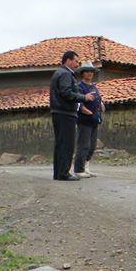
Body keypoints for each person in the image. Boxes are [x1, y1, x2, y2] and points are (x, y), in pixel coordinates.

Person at [49, 50, 96, 181]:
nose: (77, 64)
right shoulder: (65, 74)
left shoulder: (60, 73)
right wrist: (83, 97)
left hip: (59, 112)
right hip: (65, 113)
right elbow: (66, 93)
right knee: (67, 144)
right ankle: (64, 173)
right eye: (76, 61)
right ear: (68, 60)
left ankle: (59, 173)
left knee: (60, 144)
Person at [74, 62, 104, 178]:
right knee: (83, 145)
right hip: (84, 120)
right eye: (87, 71)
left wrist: (101, 103)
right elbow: (77, 102)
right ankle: (78, 169)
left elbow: (97, 98)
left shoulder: (93, 86)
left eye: (91, 71)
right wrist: (85, 110)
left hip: (94, 120)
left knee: (92, 146)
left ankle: (86, 168)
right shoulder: (79, 86)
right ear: (82, 73)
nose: (90, 73)